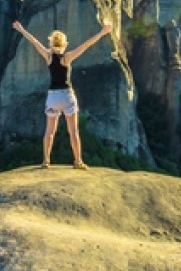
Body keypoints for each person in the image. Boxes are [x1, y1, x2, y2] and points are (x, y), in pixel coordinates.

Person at [12, 20, 113, 170]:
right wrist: (102, 32)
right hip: (67, 96)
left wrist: (21, 29)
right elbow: (86, 45)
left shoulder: (48, 56)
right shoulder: (67, 57)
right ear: (64, 44)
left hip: (53, 97)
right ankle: (78, 161)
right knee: (73, 132)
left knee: (49, 132)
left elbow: (34, 41)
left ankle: (46, 160)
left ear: (52, 43)